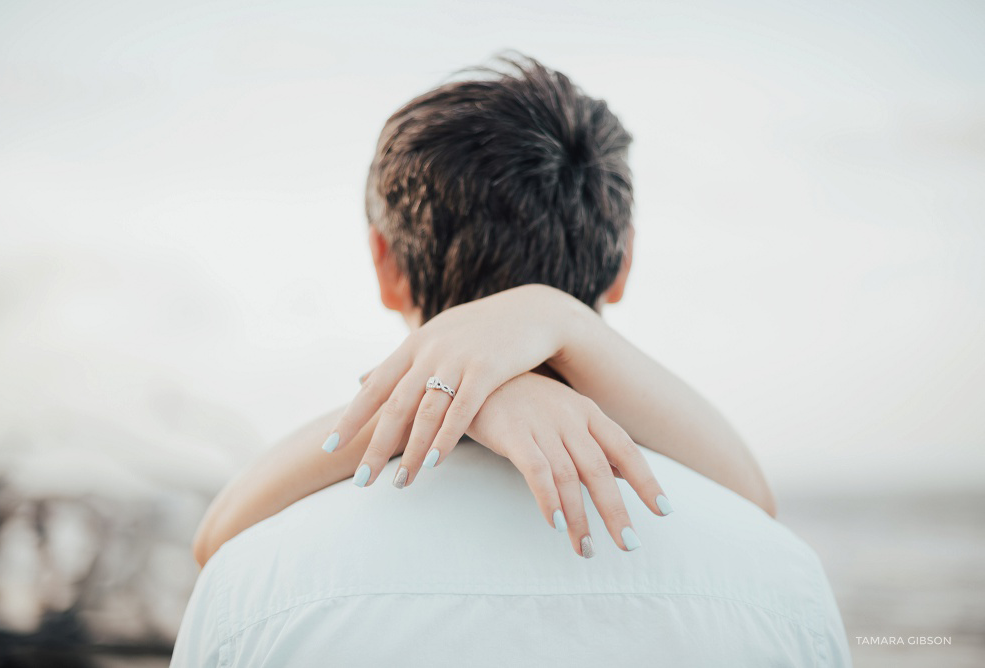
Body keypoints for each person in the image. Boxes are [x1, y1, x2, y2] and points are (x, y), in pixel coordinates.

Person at [171, 56, 850, 666]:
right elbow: (755, 501)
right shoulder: (782, 580)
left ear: (385, 263)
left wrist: (494, 371)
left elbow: (215, 541)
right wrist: (541, 342)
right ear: (624, 261)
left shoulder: (252, 585)